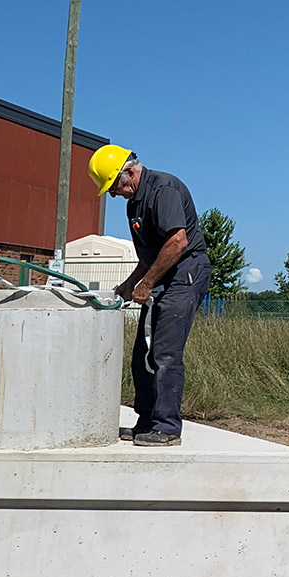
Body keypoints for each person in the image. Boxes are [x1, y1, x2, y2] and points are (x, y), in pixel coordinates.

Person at [88, 144, 210, 447]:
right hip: (163, 273)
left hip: (185, 273)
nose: (114, 194)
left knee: (164, 353)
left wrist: (147, 284)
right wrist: (130, 284)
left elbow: (177, 243)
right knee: (143, 353)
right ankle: (147, 420)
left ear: (129, 171)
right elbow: (147, 256)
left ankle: (167, 427)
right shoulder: (135, 204)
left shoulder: (163, 190)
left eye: (114, 185)